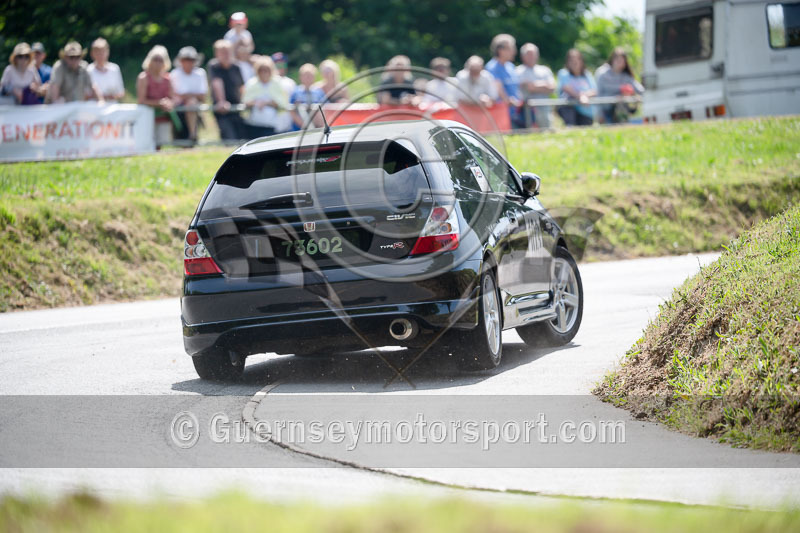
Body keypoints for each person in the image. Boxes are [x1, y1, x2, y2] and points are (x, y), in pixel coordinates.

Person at [208, 39, 246, 141]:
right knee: (228, 136)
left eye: (228, 51)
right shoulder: (214, 66)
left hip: (236, 107)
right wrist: (222, 101)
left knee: (240, 136)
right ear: (217, 53)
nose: (226, 55)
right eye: (223, 52)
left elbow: (241, 86)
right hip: (222, 109)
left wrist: (246, 102)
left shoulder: (236, 67)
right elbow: (217, 83)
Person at [137, 45, 175, 147]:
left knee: (162, 144)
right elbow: (141, 100)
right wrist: (158, 103)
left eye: (160, 60)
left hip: (164, 117)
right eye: (155, 59)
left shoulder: (168, 79)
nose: (158, 62)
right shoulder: (144, 77)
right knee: (148, 144)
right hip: (147, 117)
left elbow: (173, 98)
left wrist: (169, 103)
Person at [595, 47, 645, 124]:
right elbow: (600, 93)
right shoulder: (603, 74)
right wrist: (621, 89)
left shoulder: (626, 77)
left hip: (621, 111)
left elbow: (640, 89)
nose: (620, 63)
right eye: (618, 61)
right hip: (606, 110)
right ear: (612, 60)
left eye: (622, 61)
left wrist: (636, 96)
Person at [170, 46, 208, 143]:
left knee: (191, 103)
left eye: (191, 60)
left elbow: (203, 96)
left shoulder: (200, 73)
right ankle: (192, 134)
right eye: (185, 59)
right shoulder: (175, 74)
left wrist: (187, 96)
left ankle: (192, 134)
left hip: (194, 106)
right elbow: (174, 94)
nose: (188, 62)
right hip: (177, 106)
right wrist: (192, 95)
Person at [243, 56, 288, 138]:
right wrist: (256, 103)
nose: (264, 73)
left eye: (266, 70)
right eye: (261, 70)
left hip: (271, 124)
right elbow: (246, 101)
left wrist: (267, 103)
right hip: (254, 123)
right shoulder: (251, 83)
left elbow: (282, 103)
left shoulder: (277, 83)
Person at [486, 33, 524, 128]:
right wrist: (508, 100)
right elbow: (498, 88)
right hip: (501, 114)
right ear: (501, 50)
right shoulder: (492, 67)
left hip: (516, 112)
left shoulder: (510, 67)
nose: (514, 52)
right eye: (511, 48)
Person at [516, 43, 555, 128]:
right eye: (529, 54)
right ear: (522, 56)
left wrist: (533, 85)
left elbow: (552, 87)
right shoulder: (518, 71)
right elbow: (528, 87)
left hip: (545, 109)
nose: (531, 56)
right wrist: (544, 85)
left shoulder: (545, 70)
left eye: (533, 54)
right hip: (527, 111)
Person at [556, 49, 597, 127]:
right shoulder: (564, 73)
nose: (575, 62)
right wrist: (581, 96)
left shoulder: (587, 75)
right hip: (569, 107)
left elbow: (594, 90)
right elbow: (566, 88)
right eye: (571, 60)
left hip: (585, 110)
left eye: (577, 59)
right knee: (571, 126)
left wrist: (584, 96)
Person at [87, 38, 125, 102]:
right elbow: (85, 94)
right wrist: (100, 97)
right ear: (92, 53)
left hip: (112, 108)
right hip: (93, 108)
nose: (100, 54)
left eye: (103, 51)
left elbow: (121, 93)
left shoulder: (115, 68)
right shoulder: (88, 70)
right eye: (97, 52)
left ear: (108, 52)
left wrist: (112, 96)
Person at [290, 63, 326, 130]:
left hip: (317, 128)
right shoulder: (296, 93)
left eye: (310, 76)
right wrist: (305, 125)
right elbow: (292, 112)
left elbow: (325, 110)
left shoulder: (319, 92)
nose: (308, 78)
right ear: (300, 77)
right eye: (306, 75)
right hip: (299, 129)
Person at [271, 52, 296, 133]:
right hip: (272, 123)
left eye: (283, 65)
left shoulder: (291, 82)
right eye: (277, 65)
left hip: (288, 123)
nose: (280, 68)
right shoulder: (269, 82)